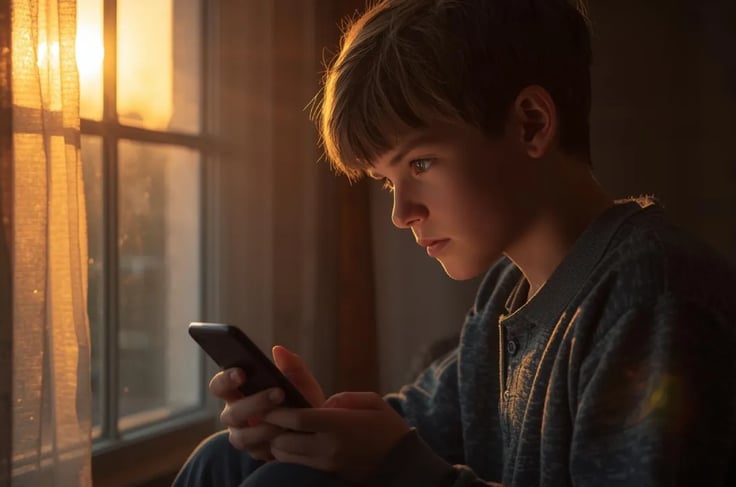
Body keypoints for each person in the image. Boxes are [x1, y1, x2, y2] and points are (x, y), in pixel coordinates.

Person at [174, 0, 736, 485]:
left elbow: (406, 461)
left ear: (532, 124)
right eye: (388, 181)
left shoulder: (652, 297)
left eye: (421, 162)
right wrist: (313, 423)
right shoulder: (506, 291)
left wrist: (398, 469)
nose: (401, 212)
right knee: (226, 460)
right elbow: (422, 424)